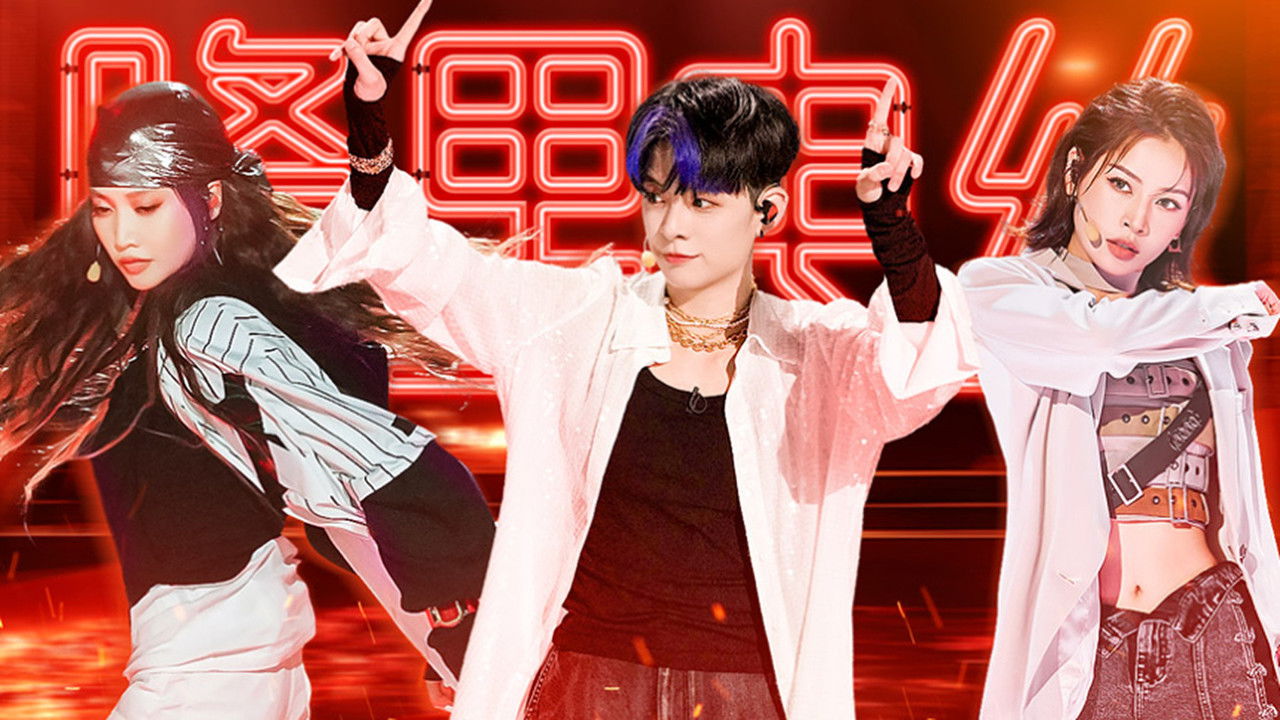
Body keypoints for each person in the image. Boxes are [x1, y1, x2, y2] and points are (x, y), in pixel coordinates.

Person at [275, 5, 978, 718]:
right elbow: (427, 267)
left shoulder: (815, 353)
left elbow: (913, 374)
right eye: (657, 197)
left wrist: (893, 229)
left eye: (702, 203)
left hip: (751, 696)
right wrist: (370, 125)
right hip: (590, 685)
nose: (672, 226)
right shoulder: (577, 318)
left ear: (767, 210)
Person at [0, 77, 494, 718]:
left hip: (204, 684)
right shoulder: (162, 313)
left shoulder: (208, 322)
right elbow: (334, 487)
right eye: (103, 208)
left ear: (208, 199)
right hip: (228, 668)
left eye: (145, 207)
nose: (121, 236)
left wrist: (463, 635)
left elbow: (374, 456)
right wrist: (446, 641)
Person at [958, 77, 1280, 718]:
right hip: (1087, 653)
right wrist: (1234, 305)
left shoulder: (1210, 338)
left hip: (1213, 631)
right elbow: (1098, 337)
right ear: (1076, 172)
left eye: (1168, 202)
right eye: (1121, 184)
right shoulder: (1000, 289)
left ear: (1187, 218)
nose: (1138, 221)